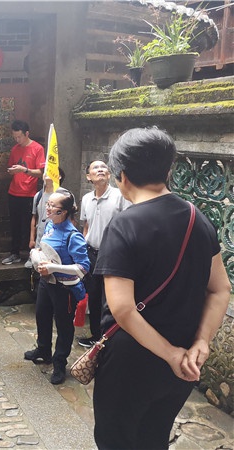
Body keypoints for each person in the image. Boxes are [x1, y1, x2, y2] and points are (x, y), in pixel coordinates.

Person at [93, 127, 230, 450]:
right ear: (168, 171)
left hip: (131, 361)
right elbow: (220, 289)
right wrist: (201, 342)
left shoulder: (124, 225)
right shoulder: (199, 219)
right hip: (182, 363)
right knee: (154, 437)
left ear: (122, 176)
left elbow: (122, 308)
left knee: (115, 439)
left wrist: (170, 354)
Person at [24, 188, 90, 384]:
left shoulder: (73, 235)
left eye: (52, 206)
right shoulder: (50, 226)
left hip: (65, 288)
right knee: (42, 316)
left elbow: (83, 268)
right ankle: (43, 350)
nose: (48, 208)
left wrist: (53, 267)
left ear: (64, 211)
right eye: (48, 204)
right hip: (47, 283)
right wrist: (37, 255)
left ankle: (60, 362)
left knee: (63, 325)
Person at [77, 160, 129, 348]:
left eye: (103, 168)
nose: (100, 170)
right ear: (88, 177)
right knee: (94, 295)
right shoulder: (86, 199)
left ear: (109, 174)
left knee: (111, 297)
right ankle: (96, 335)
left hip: (113, 254)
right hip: (91, 253)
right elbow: (86, 225)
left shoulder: (119, 196)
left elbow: (128, 224)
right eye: (95, 168)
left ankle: (110, 336)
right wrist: (84, 244)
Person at [2, 120, 46, 265]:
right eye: (15, 137)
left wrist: (25, 170)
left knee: (28, 225)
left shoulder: (37, 148)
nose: (17, 140)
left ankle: (30, 254)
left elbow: (41, 172)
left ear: (27, 134)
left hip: (29, 194)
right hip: (13, 191)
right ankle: (14, 253)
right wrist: (12, 171)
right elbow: (11, 166)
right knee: (14, 225)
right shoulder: (15, 149)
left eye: (19, 137)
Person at [26, 168, 66, 268]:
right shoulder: (38, 195)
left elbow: (71, 219)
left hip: (57, 240)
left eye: (51, 170)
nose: (47, 173)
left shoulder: (65, 195)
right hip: (40, 240)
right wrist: (32, 239)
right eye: (46, 171)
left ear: (59, 176)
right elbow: (34, 217)